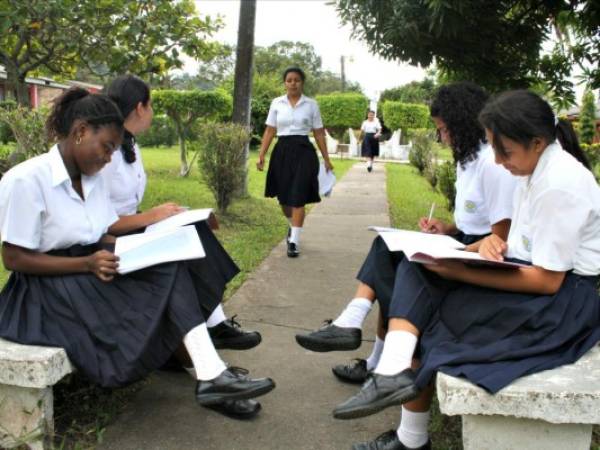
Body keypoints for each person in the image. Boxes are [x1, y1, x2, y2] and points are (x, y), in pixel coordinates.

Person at [336, 90, 600, 450]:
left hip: (562, 304)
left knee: (434, 307)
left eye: (503, 150)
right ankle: (391, 372)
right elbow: (518, 245)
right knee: (417, 265)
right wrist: (482, 246)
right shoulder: (535, 170)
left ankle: (408, 428)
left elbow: (548, 280)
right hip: (535, 279)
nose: (498, 160)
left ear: (537, 142)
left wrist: (456, 271)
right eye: (493, 148)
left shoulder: (559, 183)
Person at [0, 88, 275, 418]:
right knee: (164, 283)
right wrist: (86, 263)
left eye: (114, 150)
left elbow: (102, 232)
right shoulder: (26, 180)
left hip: (92, 265)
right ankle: (210, 375)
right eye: (107, 147)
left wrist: (152, 244)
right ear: (80, 132)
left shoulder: (92, 179)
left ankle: (210, 375)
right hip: (45, 291)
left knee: (173, 261)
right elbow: (14, 259)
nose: (108, 158)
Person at [296, 83, 516, 395]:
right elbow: (474, 218)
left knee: (405, 270)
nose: (441, 137)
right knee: (385, 246)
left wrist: (458, 248)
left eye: (443, 129)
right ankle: (353, 327)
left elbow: (500, 237)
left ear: (462, 124)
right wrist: (447, 229)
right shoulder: (467, 158)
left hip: (481, 256)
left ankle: (370, 352)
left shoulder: (492, 165)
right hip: (464, 241)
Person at [102, 74, 264, 418]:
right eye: (151, 106)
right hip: (111, 244)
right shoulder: (105, 151)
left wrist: (163, 215)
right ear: (138, 107)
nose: (152, 113)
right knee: (176, 262)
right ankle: (209, 364)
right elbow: (96, 223)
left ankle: (214, 334)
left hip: (129, 233)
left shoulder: (129, 144)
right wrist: (152, 217)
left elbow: (126, 208)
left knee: (195, 229)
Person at [257, 67, 334, 258]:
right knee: (284, 198)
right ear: (285, 83)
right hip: (282, 150)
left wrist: (326, 159)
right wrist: (261, 155)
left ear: (302, 83)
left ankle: (294, 242)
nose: (293, 83)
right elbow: (269, 130)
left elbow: (318, 133)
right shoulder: (276, 103)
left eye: (297, 80)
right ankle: (293, 226)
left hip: (304, 151)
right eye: (289, 80)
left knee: (298, 195)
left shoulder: (311, 104)